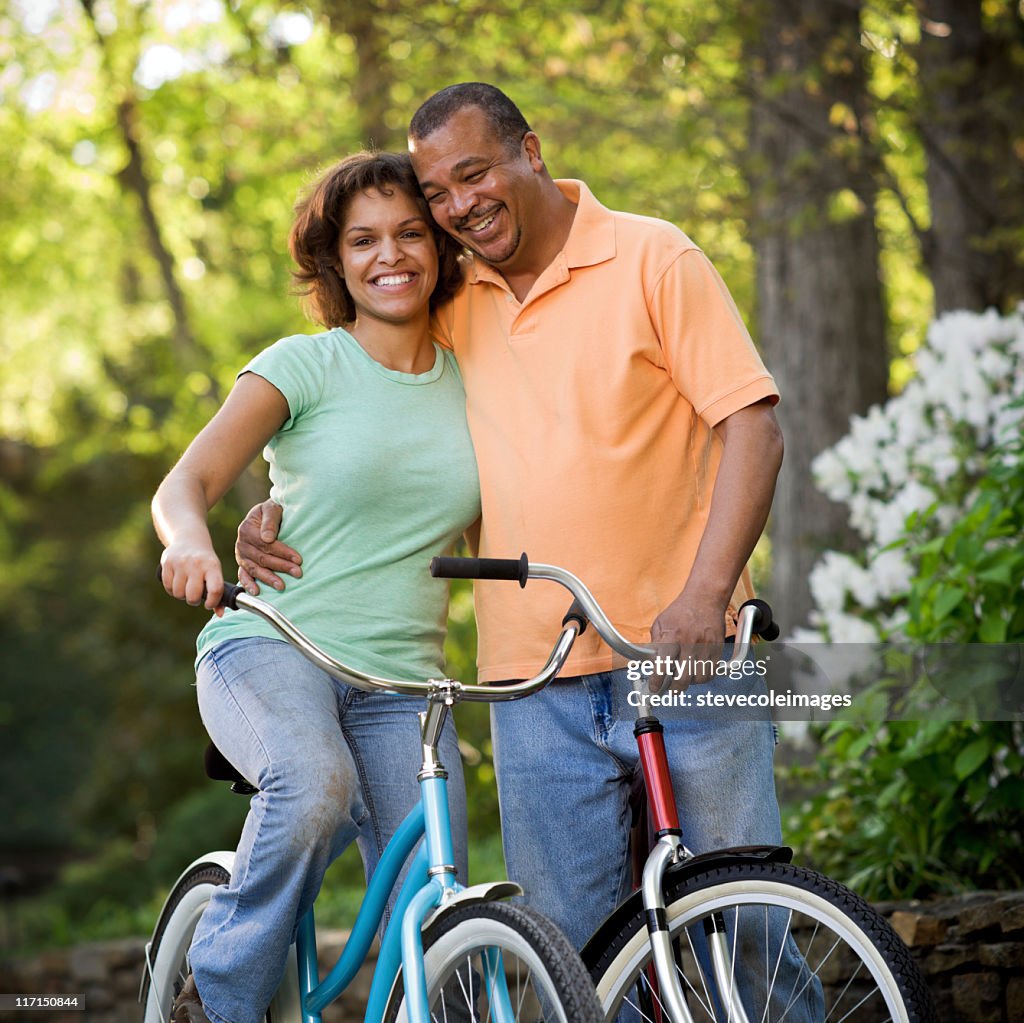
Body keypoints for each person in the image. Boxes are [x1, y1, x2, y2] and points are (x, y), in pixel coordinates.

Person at [236, 84, 786, 955]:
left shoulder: (655, 258)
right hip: (533, 681)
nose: (459, 206)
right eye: (439, 194)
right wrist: (279, 508)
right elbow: (372, 420)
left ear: (531, 150)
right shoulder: (450, 303)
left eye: (474, 174)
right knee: (571, 951)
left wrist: (705, 592)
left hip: (681, 649)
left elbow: (752, 426)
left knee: (745, 924)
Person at [152, 151, 479, 1023]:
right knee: (312, 781)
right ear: (336, 262)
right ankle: (213, 1001)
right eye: (363, 239)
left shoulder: (475, 379)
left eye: (411, 233)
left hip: (405, 681)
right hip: (272, 646)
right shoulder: (305, 364)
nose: (391, 255)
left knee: (440, 901)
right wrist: (192, 541)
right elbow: (183, 485)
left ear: (441, 246)